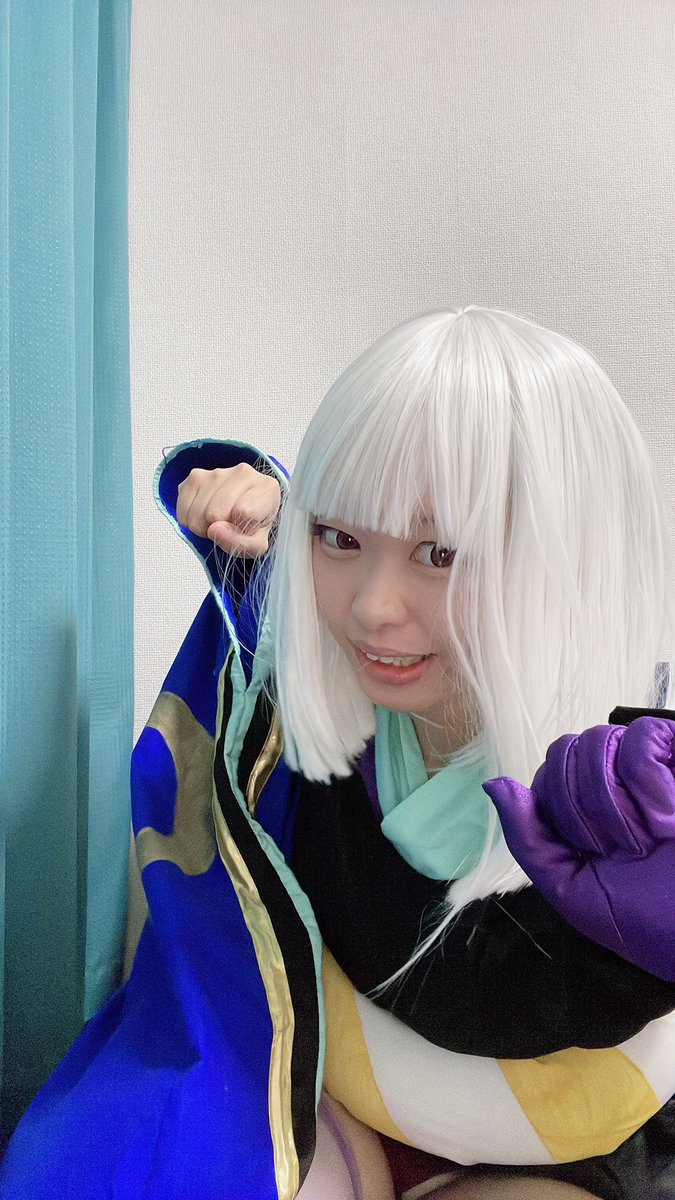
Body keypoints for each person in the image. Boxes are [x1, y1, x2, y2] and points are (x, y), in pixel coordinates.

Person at [3, 305, 675, 1199]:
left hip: (555, 1138)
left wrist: (641, 938)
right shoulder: (319, 708)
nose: (369, 607)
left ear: (570, 556)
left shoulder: (631, 788)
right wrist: (251, 515)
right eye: (340, 537)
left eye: (440, 552)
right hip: (322, 1086)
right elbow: (261, 596)